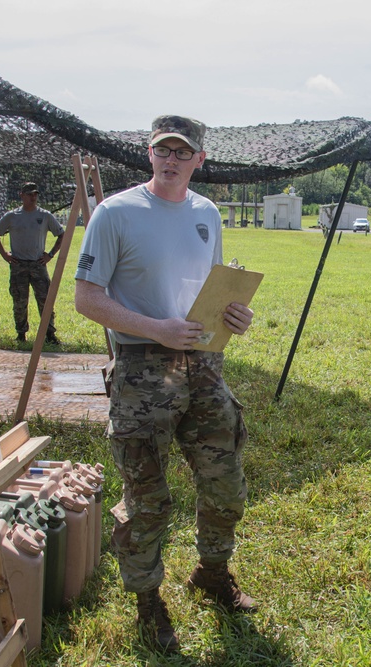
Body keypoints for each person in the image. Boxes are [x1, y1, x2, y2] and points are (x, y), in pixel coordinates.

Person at [74, 114, 256, 653]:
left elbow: (210, 284)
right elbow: (87, 298)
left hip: (203, 365)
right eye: (162, 150)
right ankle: (148, 601)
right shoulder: (115, 213)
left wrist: (233, 314)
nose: (171, 160)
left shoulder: (207, 213)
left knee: (225, 481)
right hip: (141, 370)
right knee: (147, 494)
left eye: (183, 152)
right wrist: (157, 329)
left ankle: (213, 572)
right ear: (149, 154)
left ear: (200, 159)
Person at [0, 182, 65, 345]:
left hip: (38, 264)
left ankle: (49, 334)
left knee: (45, 301)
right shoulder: (12, 216)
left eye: (35, 194)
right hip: (18, 265)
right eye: (30, 194)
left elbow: (62, 235)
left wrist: (50, 255)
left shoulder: (44, 216)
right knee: (19, 301)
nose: (33, 197)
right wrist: (4, 254)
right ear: (21, 195)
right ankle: (21, 334)